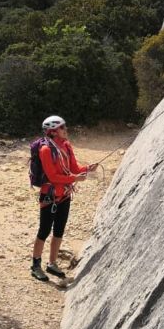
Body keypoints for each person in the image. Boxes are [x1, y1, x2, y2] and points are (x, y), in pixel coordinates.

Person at [30, 115, 97, 281]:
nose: (66, 130)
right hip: (50, 196)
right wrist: (75, 178)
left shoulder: (66, 146)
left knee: (59, 230)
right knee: (44, 230)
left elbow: (74, 167)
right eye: (62, 127)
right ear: (53, 132)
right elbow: (53, 176)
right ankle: (36, 265)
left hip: (65, 195)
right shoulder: (45, 150)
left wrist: (87, 168)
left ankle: (52, 263)